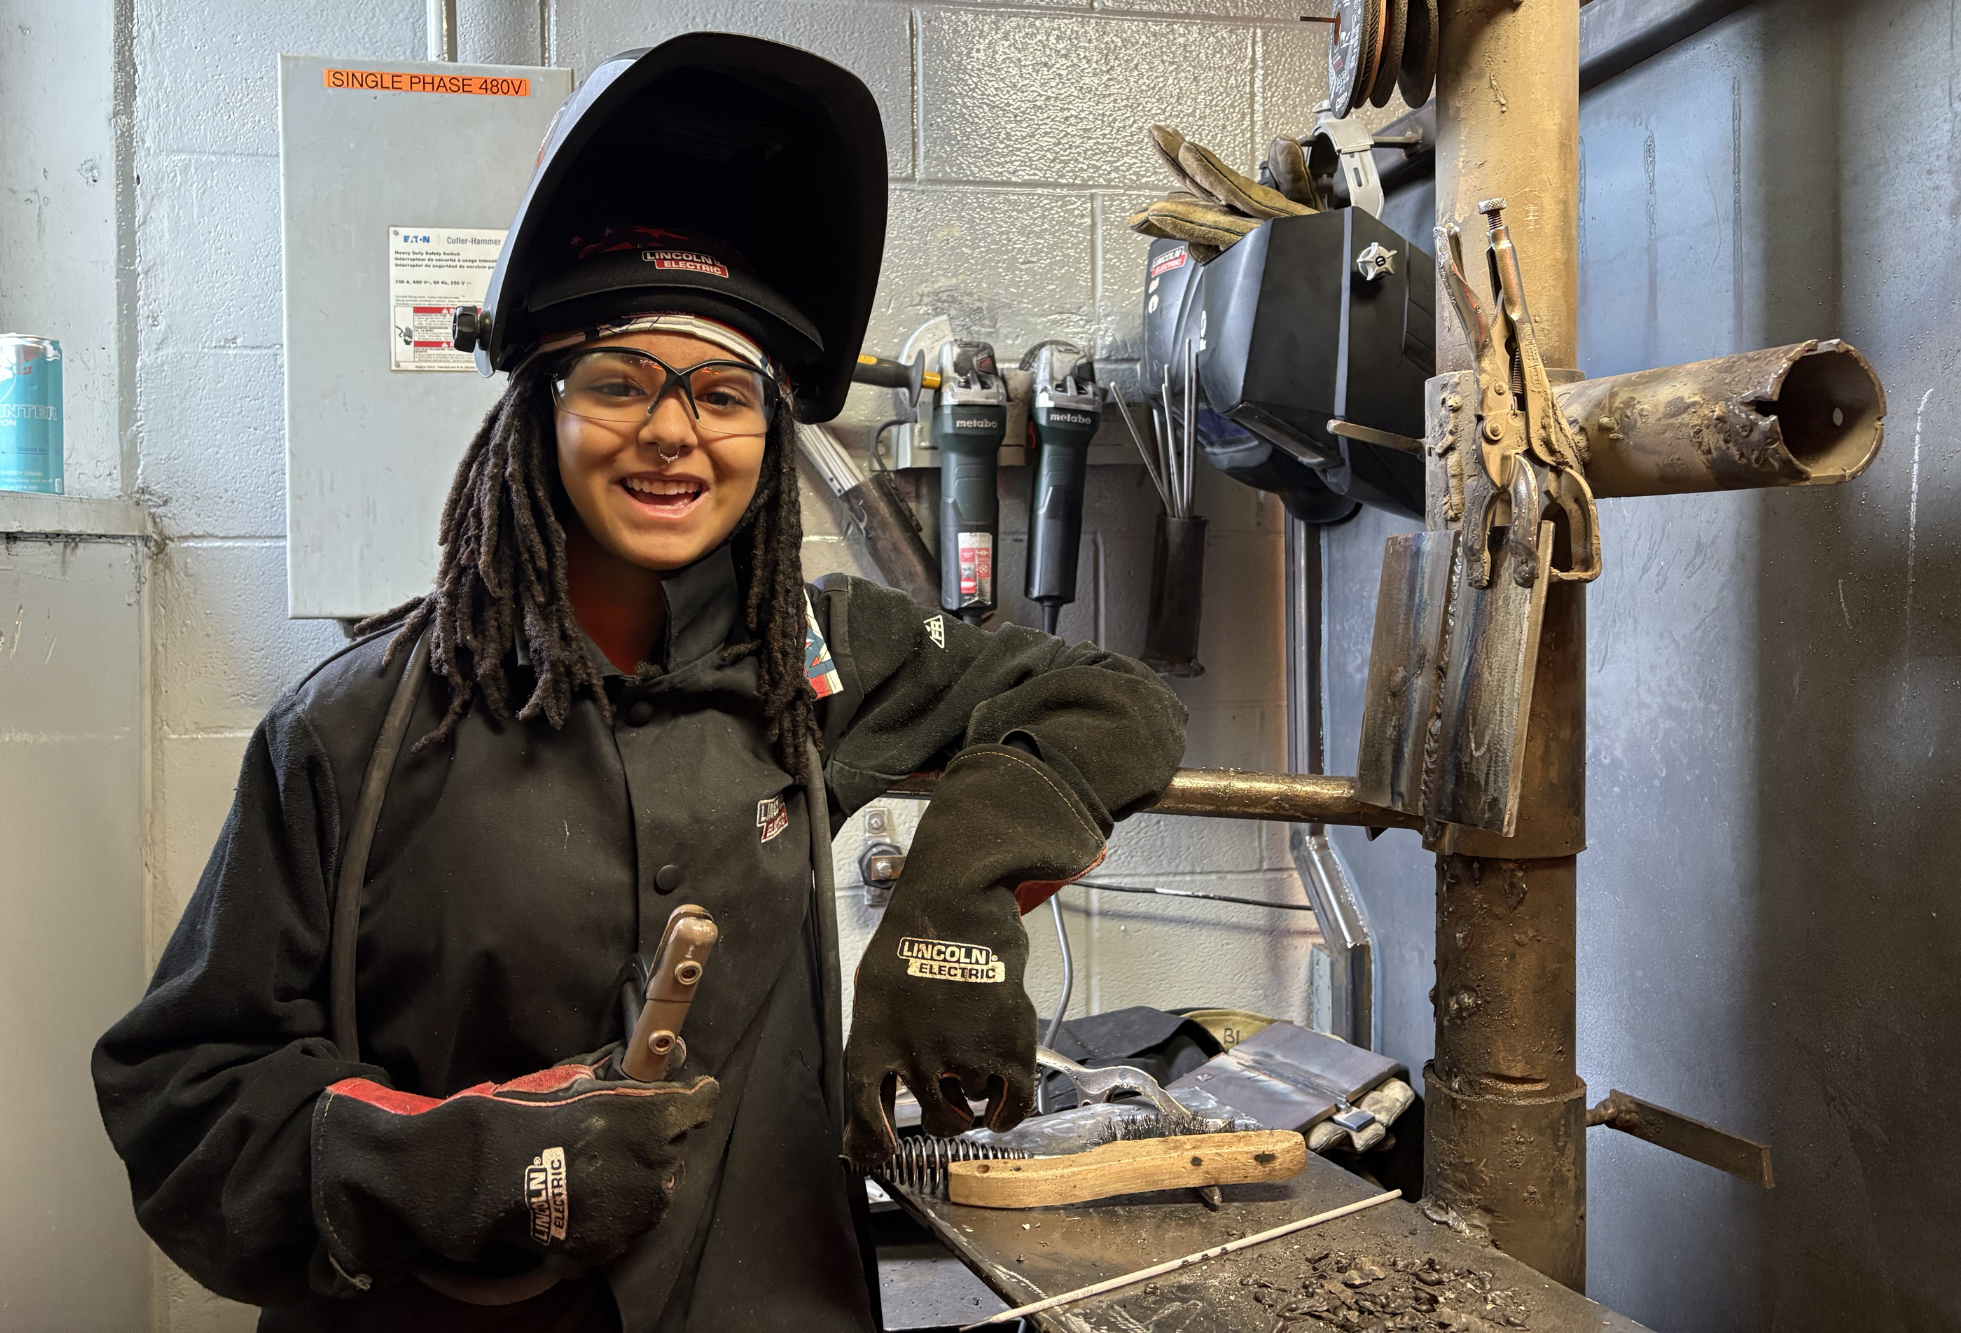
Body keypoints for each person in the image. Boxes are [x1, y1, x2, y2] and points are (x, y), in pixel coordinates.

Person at [92, 33, 1186, 1333]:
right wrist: (471, 1165)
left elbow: (1110, 707)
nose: (674, 428)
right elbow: (187, 1106)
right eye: (619, 379)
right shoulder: (354, 733)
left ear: (769, 432)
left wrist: (954, 910)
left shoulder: (817, 665)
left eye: (725, 391)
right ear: (537, 411)